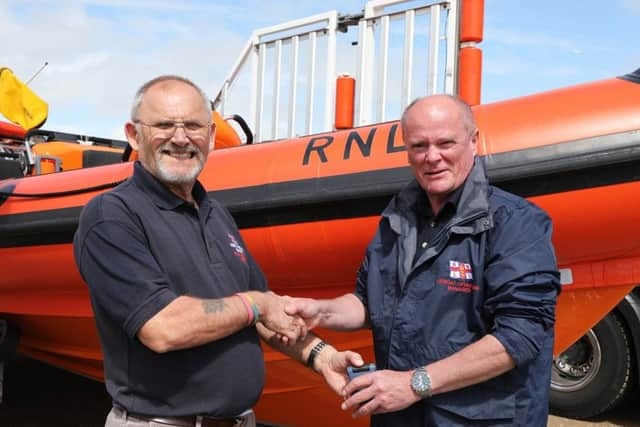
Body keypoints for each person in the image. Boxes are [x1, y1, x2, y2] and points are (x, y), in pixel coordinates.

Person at [73, 75, 362, 427]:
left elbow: (265, 317)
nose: (180, 138)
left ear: (210, 137)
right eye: (164, 125)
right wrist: (256, 304)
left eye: (193, 126)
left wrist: (321, 355)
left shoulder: (215, 213)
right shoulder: (112, 216)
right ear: (134, 135)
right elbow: (163, 327)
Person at [286, 95, 561, 426]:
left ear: (473, 142)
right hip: (401, 416)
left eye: (445, 143)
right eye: (419, 146)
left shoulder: (515, 223)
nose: (433, 157)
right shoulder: (397, 219)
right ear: (407, 150)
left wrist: (414, 384)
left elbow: (521, 335)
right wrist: (322, 311)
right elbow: (369, 302)